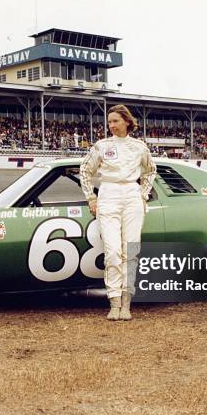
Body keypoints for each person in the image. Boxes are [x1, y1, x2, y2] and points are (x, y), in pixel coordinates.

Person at [79, 104, 156, 321]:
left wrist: (142, 194)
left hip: (132, 195)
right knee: (112, 251)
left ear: (127, 122)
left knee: (130, 251)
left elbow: (151, 171)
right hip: (108, 194)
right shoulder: (102, 146)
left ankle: (126, 303)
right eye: (109, 122)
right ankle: (113, 302)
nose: (111, 125)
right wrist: (91, 197)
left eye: (115, 121)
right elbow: (85, 170)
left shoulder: (139, 147)